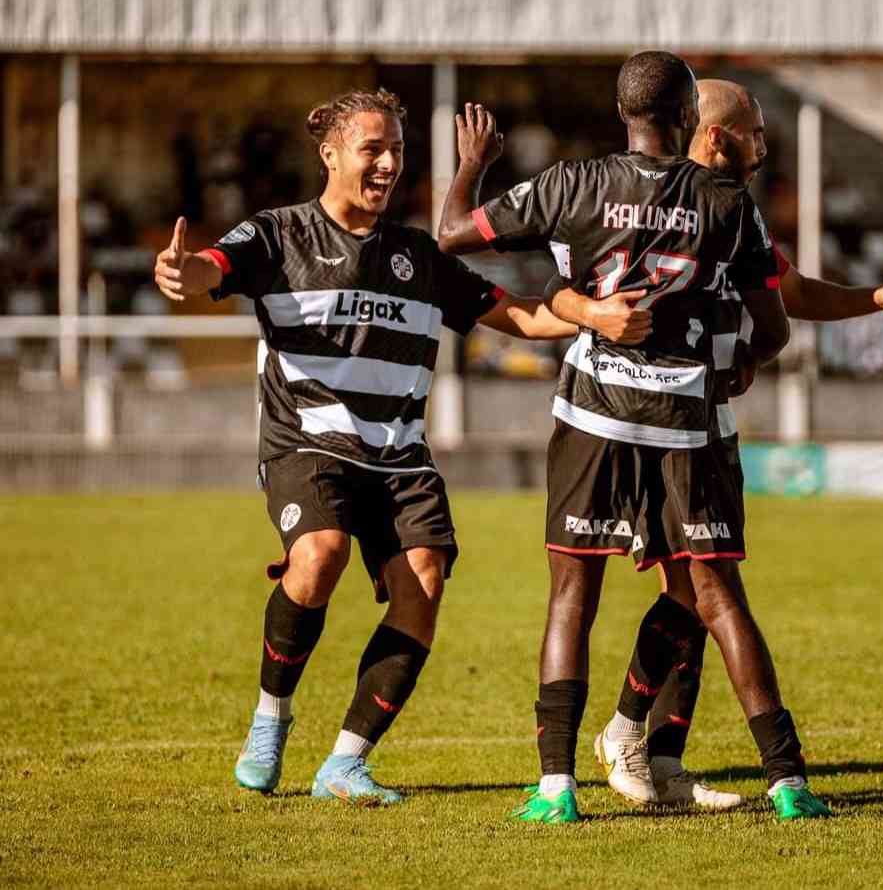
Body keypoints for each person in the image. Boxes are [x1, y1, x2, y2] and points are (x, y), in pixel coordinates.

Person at [153, 88, 577, 806]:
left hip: (400, 455)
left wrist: (597, 310)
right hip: (307, 442)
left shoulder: (419, 256)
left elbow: (527, 320)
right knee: (320, 556)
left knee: (425, 582)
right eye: (371, 149)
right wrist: (180, 272)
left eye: (397, 150)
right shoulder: (279, 234)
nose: (387, 164)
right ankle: (271, 716)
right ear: (330, 153)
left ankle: (344, 764)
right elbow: (210, 269)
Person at [439, 51, 818, 823]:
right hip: (682, 422)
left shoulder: (572, 183)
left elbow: (450, 234)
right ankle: (788, 782)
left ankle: (556, 789)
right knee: (716, 599)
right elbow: (775, 324)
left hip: (593, 414)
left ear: (623, 114)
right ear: (688, 117)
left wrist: (472, 163)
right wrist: (745, 361)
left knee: (572, 596)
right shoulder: (727, 203)